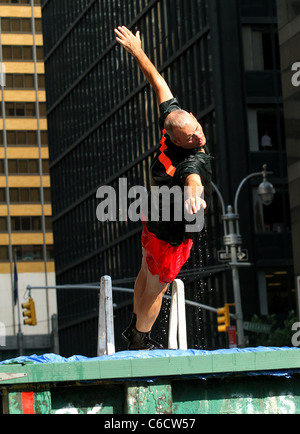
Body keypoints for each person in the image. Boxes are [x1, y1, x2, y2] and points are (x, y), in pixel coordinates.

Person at [114, 26, 212, 350]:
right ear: (178, 141)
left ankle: (133, 327)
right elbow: (193, 180)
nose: (198, 137)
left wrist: (138, 51)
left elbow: (159, 83)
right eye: (191, 138)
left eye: (197, 129)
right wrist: (195, 199)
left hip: (152, 216)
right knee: (157, 287)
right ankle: (140, 339)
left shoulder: (172, 121)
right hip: (170, 234)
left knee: (145, 272)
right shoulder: (190, 159)